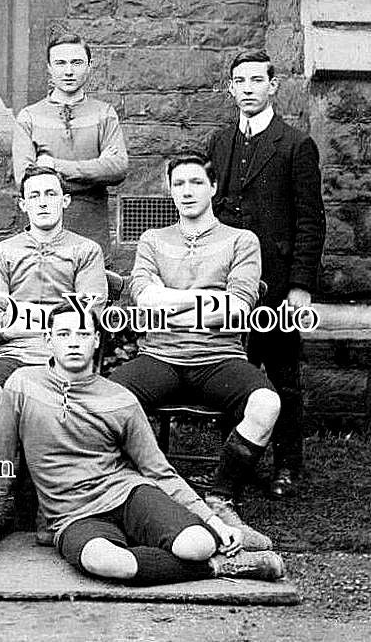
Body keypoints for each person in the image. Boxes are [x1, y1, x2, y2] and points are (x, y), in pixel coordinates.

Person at [0, 304, 286, 585]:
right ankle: (220, 567)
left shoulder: (120, 399)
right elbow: (2, 461)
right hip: (73, 515)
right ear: (48, 340)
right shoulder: (21, 385)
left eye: (83, 334)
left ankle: (197, 554)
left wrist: (214, 521)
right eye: (63, 335)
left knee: (197, 544)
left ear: (96, 341)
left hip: (128, 494)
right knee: (113, 565)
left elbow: (160, 472)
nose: (73, 343)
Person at [107, 154, 280, 551]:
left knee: (267, 404)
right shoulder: (153, 240)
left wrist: (171, 306)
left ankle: (220, 500)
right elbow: (145, 300)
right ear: (169, 189)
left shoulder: (241, 240)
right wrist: (204, 300)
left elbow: (237, 308)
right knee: (104, 402)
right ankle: (127, 494)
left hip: (219, 357)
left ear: (213, 188)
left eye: (196, 183)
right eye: (179, 184)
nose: (187, 191)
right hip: (160, 356)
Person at [207, 50, 326, 499]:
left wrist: (299, 285)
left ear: (273, 86)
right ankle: (235, 464)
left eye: (258, 80)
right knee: (231, 370)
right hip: (225, 284)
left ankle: (287, 465)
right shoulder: (219, 143)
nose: (248, 88)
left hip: (276, 284)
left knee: (282, 375)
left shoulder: (294, 144)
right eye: (240, 80)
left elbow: (311, 221)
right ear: (231, 88)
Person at [0, 166, 107, 428]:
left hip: (65, 353)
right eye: (34, 196)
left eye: (51, 194)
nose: (43, 202)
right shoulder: (4, 252)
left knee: (51, 406)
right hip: (14, 353)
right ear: (23, 204)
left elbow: (87, 315)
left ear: (65, 201)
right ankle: (1, 462)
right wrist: (55, 320)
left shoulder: (86, 250)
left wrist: (17, 315)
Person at [12, 33, 128, 255]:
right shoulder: (29, 117)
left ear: (89, 66)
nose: (68, 71)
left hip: (91, 228)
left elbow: (118, 168)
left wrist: (53, 165)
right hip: (43, 230)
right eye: (60, 63)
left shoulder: (104, 114)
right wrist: (95, 168)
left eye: (76, 63)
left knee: (90, 288)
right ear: (49, 67)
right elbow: (26, 180)